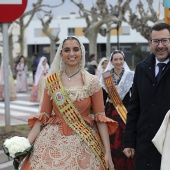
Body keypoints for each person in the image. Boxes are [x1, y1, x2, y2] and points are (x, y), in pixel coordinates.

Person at [20, 36, 118, 170]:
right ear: (61, 54)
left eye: (75, 49)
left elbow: (100, 118)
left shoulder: (93, 81)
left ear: (81, 52)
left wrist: (107, 152)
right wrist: (23, 146)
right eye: (67, 50)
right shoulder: (52, 81)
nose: (71, 54)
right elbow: (43, 117)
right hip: (52, 142)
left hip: (85, 143)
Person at [123, 22, 170, 170]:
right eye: (156, 41)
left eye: (164, 40)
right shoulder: (141, 68)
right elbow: (134, 107)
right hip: (145, 144)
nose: (160, 45)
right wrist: (129, 141)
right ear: (150, 43)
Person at [100, 50, 134, 170]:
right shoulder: (105, 77)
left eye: (121, 59)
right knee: (111, 141)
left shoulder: (131, 76)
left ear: (124, 60)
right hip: (110, 113)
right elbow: (102, 98)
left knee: (125, 141)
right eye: (116, 59)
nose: (118, 62)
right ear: (112, 61)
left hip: (126, 113)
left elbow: (134, 96)